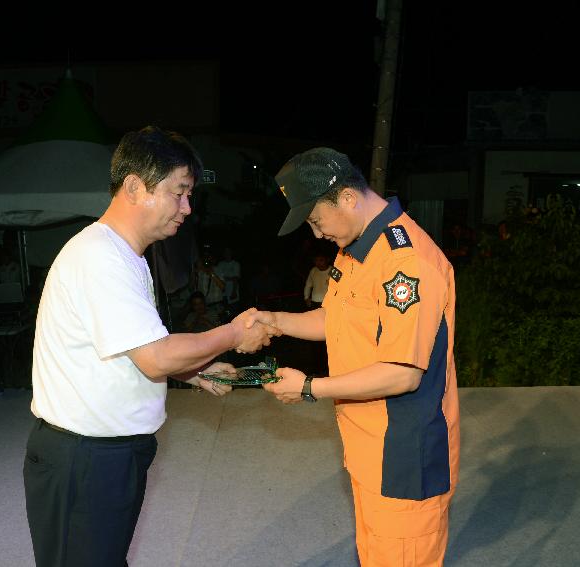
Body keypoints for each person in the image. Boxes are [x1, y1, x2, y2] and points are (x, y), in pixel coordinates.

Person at [23, 125, 277, 567]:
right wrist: (235, 334)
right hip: (84, 458)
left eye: (189, 195)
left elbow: (136, 349)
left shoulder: (128, 256)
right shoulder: (100, 257)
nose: (187, 207)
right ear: (135, 186)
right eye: (178, 193)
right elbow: (156, 356)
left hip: (108, 452)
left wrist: (192, 370)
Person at [258, 147, 460, 566]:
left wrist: (311, 388)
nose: (316, 235)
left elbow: (402, 374)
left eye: (316, 221)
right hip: (367, 451)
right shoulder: (354, 247)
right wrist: (273, 320)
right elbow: (335, 318)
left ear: (348, 198)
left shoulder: (407, 262)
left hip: (402, 458)